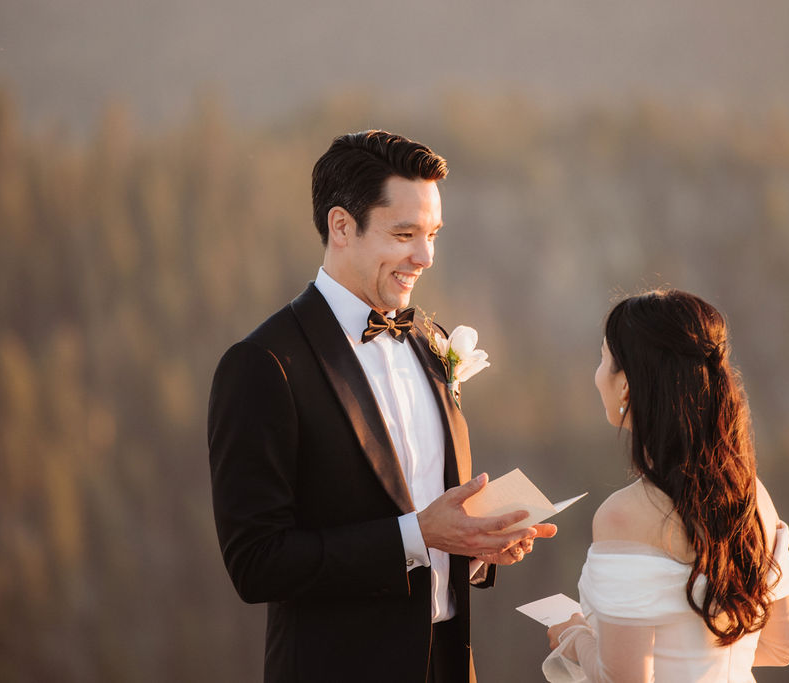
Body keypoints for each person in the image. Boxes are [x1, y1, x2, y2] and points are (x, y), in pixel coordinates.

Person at [208, 130, 556, 682]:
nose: (426, 256)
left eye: (433, 234)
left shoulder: (428, 338)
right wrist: (419, 537)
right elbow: (256, 563)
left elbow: (429, 508)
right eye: (404, 233)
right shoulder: (264, 364)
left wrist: (476, 544)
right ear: (341, 226)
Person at [543, 290, 789, 682]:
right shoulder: (753, 498)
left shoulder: (624, 515)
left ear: (626, 385)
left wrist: (575, 636)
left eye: (603, 359)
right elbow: (780, 648)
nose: (597, 375)